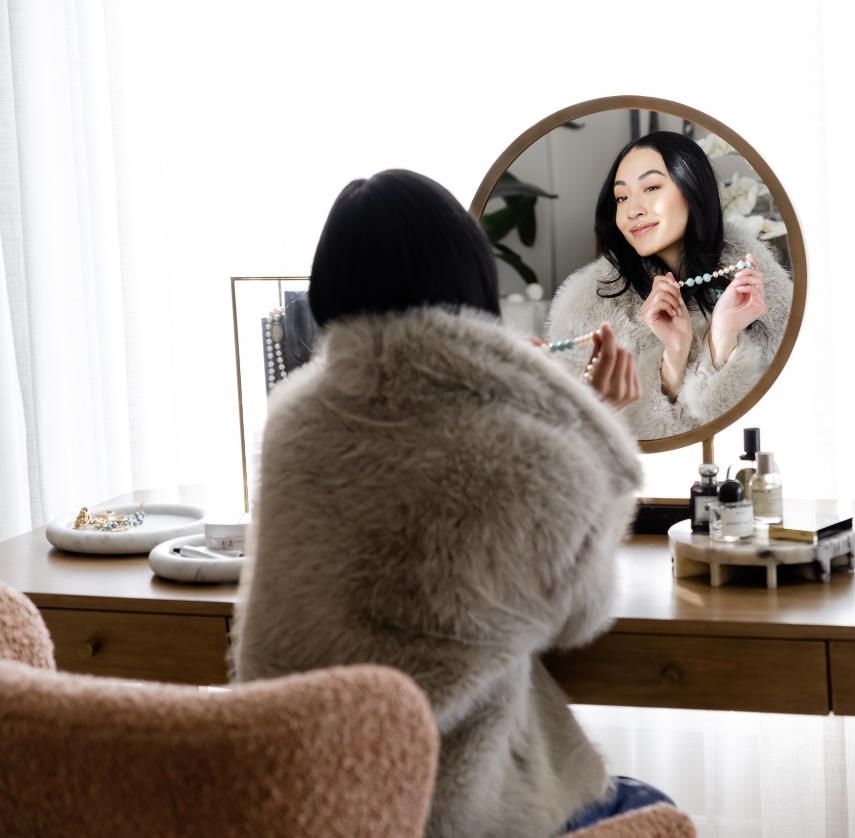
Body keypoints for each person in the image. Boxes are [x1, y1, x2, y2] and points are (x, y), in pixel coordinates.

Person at [230, 169, 673, 837]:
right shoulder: (532, 453)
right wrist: (587, 420)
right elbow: (578, 615)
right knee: (648, 804)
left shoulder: (292, 421)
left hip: (302, 800)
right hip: (448, 813)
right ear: (471, 278)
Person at [547, 130, 792, 440]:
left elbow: (764, 427)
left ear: (693, 189)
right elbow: (592, 443)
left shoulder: (762, 289)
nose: (632, 210)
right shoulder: (587, 308)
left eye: (650, 187)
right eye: (621, 197)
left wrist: (722, 339)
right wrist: (674, 356)